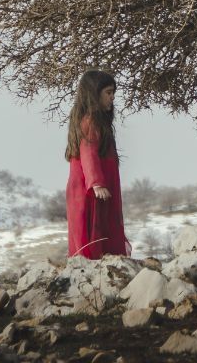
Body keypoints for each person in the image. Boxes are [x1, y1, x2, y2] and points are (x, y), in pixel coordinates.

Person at [65, 69, 131, 258]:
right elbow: (88, 152)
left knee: (102, 230)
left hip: (97, 188)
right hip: (91, 190)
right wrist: (96, 183)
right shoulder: (90, 121)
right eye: (108, 93)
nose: (112, 98)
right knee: (94, 233)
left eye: (113, 93)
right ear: (94, 94)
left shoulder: (97, 121)